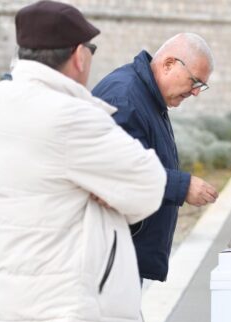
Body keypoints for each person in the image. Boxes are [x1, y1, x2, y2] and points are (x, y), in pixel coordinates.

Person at [0, 1, 166, 322]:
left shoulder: (2, 100)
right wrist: (112, 194)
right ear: (79, 55)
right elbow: (150, 184)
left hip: (8, 304)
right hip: (60, 308)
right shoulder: (69, 115)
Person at [92, 33, 219, 282]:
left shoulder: (145, 94)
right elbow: (117, 172)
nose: (196, 93)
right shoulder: (126, 97)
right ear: (169, 64)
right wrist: (181, 187)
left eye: (201, 86)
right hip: (113, 257)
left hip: (123, 251)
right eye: (195, 81)